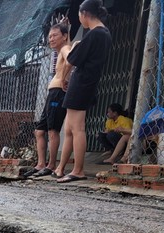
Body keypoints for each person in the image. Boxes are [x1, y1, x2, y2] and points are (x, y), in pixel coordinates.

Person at [54, 0, 112, 183]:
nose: (80, 19)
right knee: (70, 128)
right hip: (85, 83)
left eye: (79, 15)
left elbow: (71, 58)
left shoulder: (95, 34)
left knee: (77, 128)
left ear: (85, 14)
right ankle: (61, 169)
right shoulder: (104, 34)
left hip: (82, 84)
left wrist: (63, 78)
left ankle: (78, 170)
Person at [26, 22, 71, 178]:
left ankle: (51, 165)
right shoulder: (58, 51)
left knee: (53, 131)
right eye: (49, 36)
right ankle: (41, 164)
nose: (51, 39)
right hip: (52, 93)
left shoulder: (65, 48)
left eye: (55, 36)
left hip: (58, 93)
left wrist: (65, 78)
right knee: (39, 131)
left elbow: (70, 59)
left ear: (64, 36)